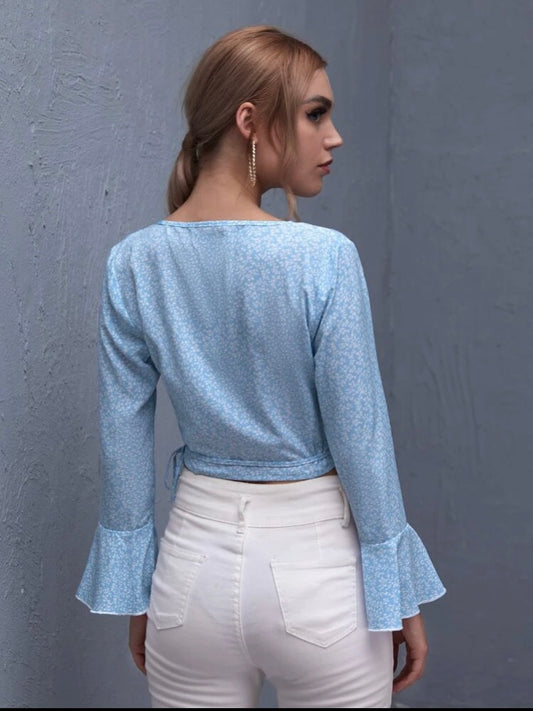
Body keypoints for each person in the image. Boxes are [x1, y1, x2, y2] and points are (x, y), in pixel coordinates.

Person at [76, 24, 446, 708]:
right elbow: (360, 438)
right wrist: (398, 589)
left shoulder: (134, 262)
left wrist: (138, 594)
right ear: (249, 121)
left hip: (188, 582)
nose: (334, 137)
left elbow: (121, 438)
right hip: (319, 581)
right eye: (314, 114)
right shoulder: (322, 258)